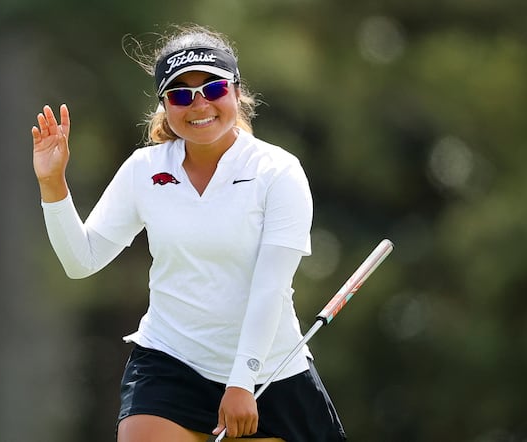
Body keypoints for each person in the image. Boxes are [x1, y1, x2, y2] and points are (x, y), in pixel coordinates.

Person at [31, 24, 346, 442]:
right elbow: (81, 261)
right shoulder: (144, 169)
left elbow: (270, 286)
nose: (199, 105)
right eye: (180, 94)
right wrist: (53, 185)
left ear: (235, 91)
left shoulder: (278, 171)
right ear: (165, 105)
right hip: (170, 361)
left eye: (212, 89)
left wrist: (241, 382)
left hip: (268, 371)